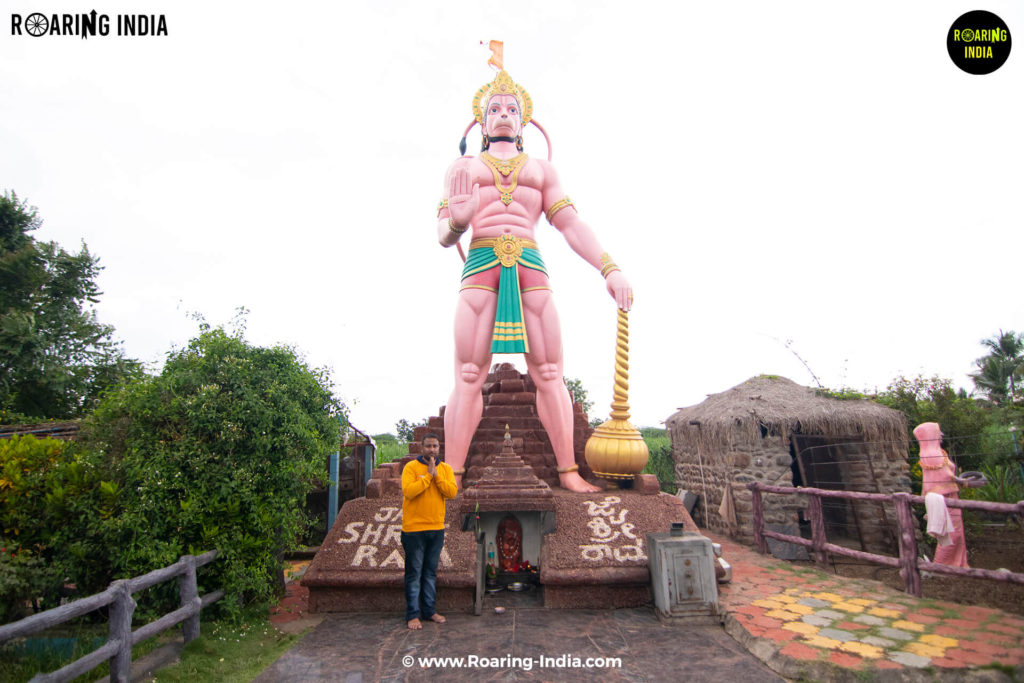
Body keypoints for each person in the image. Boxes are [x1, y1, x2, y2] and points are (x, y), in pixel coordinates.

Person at [436, 57, 632, 493]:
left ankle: (568, 472)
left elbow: (570, 225)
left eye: (511, 108)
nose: (503, 113)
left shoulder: (542, 171)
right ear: (482, 122)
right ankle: (451, 476)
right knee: (469, 371)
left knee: (549, 372)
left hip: (530, 267)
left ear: (523, 121)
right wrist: (457, 221)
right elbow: (443, 236)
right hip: (481, 265)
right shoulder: (462, 170)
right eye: (494, 108)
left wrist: (609, 267)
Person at [401, 433, 458, 629]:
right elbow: (409, 491)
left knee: (430, 573)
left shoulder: (446, 469)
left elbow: (451, 492)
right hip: (414, 529)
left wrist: (437, 476)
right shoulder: (411, 468)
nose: (431, 450)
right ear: (422, 447)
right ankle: (412, 615)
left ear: (439, 447)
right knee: (414, 573)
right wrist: (427, 477)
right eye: (428, 446)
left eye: (435, 446)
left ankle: (429, 610)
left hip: (436, 527)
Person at [914, 422, 969, 567]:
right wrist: (959, 480)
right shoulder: (931, 454)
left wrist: (958, 480)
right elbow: (945, 475)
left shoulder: (937, 451)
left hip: (950, 495)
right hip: (943, 497)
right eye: (938, 432)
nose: (941, 435)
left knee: (955, 533)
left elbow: (946, 473)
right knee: (950, 534)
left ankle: (956, 563)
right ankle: (941, 565)